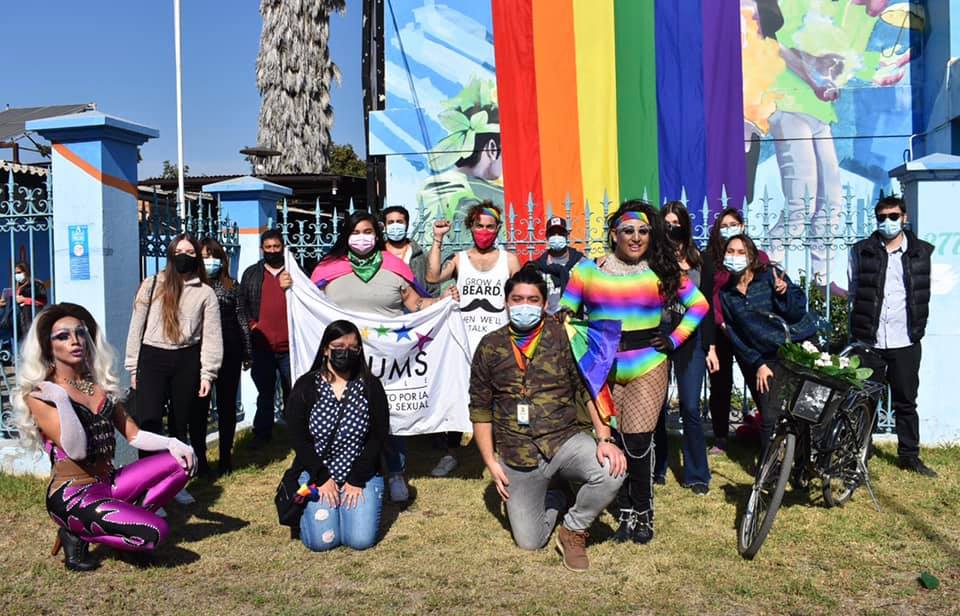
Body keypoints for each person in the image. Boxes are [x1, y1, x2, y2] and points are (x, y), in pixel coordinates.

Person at [560, 200, 708, 544]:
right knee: (614, 440)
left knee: (639, 441)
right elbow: (566, 307)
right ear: (614, 235)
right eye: (628, 231)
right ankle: (623, 511)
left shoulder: (662, 269)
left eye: (643, 231)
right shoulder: (587, 270)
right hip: (604, 368)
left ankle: (644, 513)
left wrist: (674, 340)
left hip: (648, 363)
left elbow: (699, 304)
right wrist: (567, 320)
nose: (637, 237)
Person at [13, 303, 196, 571]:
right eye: (62, 336)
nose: (75, 341)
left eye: (80, 333)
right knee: (158, 532)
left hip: (109, 482)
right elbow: (75, 450)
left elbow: (132, 435)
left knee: (184, 462)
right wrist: (62, 401)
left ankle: (126, 531)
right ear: (47, 346)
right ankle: (75, 533)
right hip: (73, 495)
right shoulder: (42, 393)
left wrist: (172, 443)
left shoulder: (92, 386)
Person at [470, 266, 625, 572]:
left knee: (612, 470)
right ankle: (555, 497)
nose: (523, 306)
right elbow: (480, 408)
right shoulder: (490, 345)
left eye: (532, 299)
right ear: (506, 302)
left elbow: (589, 388)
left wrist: (605, 439)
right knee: (530, 541)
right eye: (517, 299)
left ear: (544, 304)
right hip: (518, 453)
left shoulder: (563, 337)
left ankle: (574, 529)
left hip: (563, 440)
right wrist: (490, 461)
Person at [311, 211, 457, 502]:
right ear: (346, 235)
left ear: (376, 236)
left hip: (387, 359)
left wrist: (442, 301)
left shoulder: (393, 266)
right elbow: (308, 301)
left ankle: (395, 473)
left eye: (367, 231)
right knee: (342, 417)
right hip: (344, 360)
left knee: (390, 417)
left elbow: (416, 303)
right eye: (355, 232)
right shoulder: (328, 268)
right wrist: (290, 287)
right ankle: (336, 472)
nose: (362, 237)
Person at [427, 201, 521, 478]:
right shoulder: (459, 259)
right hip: (462, 342)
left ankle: (501, 453)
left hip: (498, 343)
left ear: (498, 228)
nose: (484, 230)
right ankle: (451, 453)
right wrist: (438, 239)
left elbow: (522, 294)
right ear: (471, 227)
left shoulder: (509, 260)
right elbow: (432, 277)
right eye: (479, 225)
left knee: (501, 398)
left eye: (489, 226)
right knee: (457, 397)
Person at [125, 233, 222, 496]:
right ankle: (148, 482)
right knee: (149, 421)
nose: (184, 256)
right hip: (152, 357)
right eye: (179, 251)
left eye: (191, 253)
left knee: (181, 423)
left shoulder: (205, 293)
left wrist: (207, 373)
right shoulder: (152, 284)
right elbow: (136, 327)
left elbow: (212, 336)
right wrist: (133, 367)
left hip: (186, 358)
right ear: (170, 254)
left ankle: (175, 482)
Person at [848, 195, 936, 477]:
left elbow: (922, 292)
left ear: (904, 218)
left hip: (905, 340)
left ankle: (909, 455)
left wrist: (917, 326)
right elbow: (853, 291)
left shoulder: (921, 252)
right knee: (865, 399)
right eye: (882, 217)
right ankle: (861, 451)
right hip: (870, 341)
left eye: (893, 216)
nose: (888, 222)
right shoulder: (862, 251)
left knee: (906, 401)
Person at [284, 320, 389, 552]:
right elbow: (298, 437)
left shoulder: (370, 386)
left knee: (359, 541)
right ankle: (308, 514)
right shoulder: (306, 386)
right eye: (339, 346)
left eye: (353, 348)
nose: (346, 352)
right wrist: (321, 478)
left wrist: (356, 478)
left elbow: (379, 435)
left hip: (361, 474)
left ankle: (347, 509)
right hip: (315, 474)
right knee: (323, 542)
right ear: (325, 349)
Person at [718, 233, 819, 454]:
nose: (734, 256)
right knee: (769, 415)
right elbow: (736, 335)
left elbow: (796, 312)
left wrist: (783, 293)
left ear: (751, 256)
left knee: (804, 410)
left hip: (799, 345)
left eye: (741, 252)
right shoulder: (726, 294)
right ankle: (768, 474)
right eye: (730, 251)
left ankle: (803, 465)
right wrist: (758, 363)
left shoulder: (769, 276)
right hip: (768, 356)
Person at [699, 208, 770, 454]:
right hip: (720, 332)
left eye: (733, 224)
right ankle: (720, 436)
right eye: (724, 225)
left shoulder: (758, 256)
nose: (728, 229)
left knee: (758, 379)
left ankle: (768, 432)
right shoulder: (711, 259)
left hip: (749, 332)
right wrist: (720, 323)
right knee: (720, 384)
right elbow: (708, 297)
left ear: (742, 226)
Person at [653, 202, 711, 495]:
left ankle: (697, 473)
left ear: (685, 226)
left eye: (676, 223)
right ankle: (657, 467)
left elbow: (708, 302)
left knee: (690, 406)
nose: (672, 228)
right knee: (656, 406)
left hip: (691, 337)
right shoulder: (653, 258)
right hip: (659, 333)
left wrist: (710, 346)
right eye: (667, 223)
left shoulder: (699, 258)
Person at [201, 238, 253, 475]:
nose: (209, 260)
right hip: (200, 354)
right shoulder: (193, 286)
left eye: (213, 255)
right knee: (199, 408)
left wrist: (247, 351)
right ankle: (200, 459)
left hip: (230, 351)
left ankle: (225, 457)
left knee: (227, 406)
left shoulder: (232, 285)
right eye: (204, 255)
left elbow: (242, 319)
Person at [239, 229, 293, 447]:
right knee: (265, 392)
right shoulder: (252, 274)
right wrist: (253, 326)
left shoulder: (294, 273)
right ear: (262, 249)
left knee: (294, 391)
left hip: (291, 347)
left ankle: (296, 434)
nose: (272, 251)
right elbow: (241, 305)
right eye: (268, 247)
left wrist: (294, 287)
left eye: (276, 247)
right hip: (262, 345)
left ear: (283, 247)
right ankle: (262, 434)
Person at [532, 217, 585, 315]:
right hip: (548, 322)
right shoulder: (539, 267)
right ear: (547, 237)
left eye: (560, 233)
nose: (556, 236)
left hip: (576, 321)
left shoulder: (581, 263)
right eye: (552, 234)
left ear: (567, 236)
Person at [381, 205, 435, 295]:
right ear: (385, 226)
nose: (395, 226)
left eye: (399, 222)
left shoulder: (420, 255)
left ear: (407, 224)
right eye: (390, 222)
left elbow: (433, 286)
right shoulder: (378, 254)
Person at [0, 261, 48, 338]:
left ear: (26, 272)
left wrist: (25, 300)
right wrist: (3, 302)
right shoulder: (15, 287)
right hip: (14, 323)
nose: (17, 275)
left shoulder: (36, 284)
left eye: (19, 272)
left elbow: (42, 302)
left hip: (28, 319)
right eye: (15, 273)